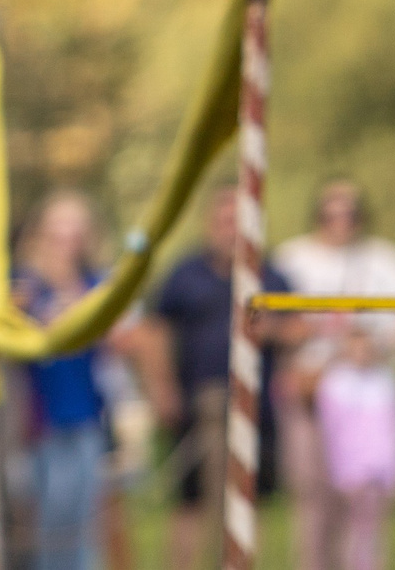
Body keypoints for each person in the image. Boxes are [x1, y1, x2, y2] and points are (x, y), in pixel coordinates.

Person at [271, 180, 395, 570]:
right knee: (313, 500)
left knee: (364, 499)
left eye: (349, 213)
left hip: (362, 396)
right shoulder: (292, 258)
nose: (340, 222)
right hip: (311, 392)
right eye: (331, 213)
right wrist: (316, 337)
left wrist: (384, 344)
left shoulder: (379, 257)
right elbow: (271, 322)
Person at [149, 184, 289, 570]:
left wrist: (272, 330)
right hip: (196, 404)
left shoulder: (271, 273)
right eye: (224, 220)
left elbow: (298, 329)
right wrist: (161, 388)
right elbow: (156, 331)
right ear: (209, 223)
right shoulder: (184, 273)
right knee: (190, 503)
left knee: (249, 497)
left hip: (256, 405)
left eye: (238, 221)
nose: (230, 229)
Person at [10, 191, 120, 570]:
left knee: (85, 517)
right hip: (38, 420)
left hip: (87, 413)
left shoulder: (96, 282)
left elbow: (118, 338)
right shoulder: (22, 284)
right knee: (48, 517)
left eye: (76, 227)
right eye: (59, 227)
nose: (67, 238)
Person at [316, 323, 395, 570]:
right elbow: (333, 433)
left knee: (373, 533)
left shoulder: (384, 381)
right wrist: (341, 471)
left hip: (379, 468)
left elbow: (394, 430)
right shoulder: (336, 383)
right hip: (350, 470)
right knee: (346, 531)